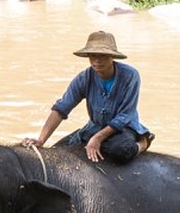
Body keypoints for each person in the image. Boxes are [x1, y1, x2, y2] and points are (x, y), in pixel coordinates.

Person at [20, 30, 153, 165]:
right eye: (92, 55)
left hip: (124, 127)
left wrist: (97, 138)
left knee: (119, 150)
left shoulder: (130, 76)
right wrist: (41, 140)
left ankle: (143, 142)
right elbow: (61, 109)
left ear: (112, 56)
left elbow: (125, 115)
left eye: (102, 55)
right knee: (57, 150)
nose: (97, 60)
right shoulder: (84, 78)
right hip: (96, 126)